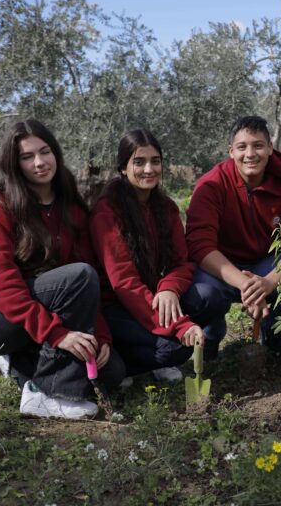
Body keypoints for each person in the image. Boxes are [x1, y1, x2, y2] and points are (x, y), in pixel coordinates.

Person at [0, 119, 124, 420]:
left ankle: (18, 362)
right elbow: (1, 289)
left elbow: (89, 285)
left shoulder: (70, 208)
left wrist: (102, 335)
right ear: (14, 164)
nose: (39, 162)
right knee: (78, 275)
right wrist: (57, 334)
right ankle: (45, 394)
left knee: (112, 373)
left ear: (55, 152)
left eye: (45, 152)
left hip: (40, 310)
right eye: (27, 156)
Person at [182, 115, 281, 359]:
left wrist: (269, 282)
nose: (250, 154)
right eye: (242, 147)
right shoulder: (211, 185)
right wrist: (247, 285)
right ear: (231, 151)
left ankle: (273, 335)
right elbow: (199, 245)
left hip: (266, 262)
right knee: (201, 294)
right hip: (220, 265)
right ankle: (210, 335)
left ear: (270, 148)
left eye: (258, 145)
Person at [89, 129, 204, 381]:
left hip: (149, 298)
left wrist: (169, 289)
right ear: (122, 168)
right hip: (113, 307)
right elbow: (124, 283)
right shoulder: (107, 212)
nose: (149, 169)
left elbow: (181, 263)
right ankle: (128, 359)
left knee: (202, 302)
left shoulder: (166, 208)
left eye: (155, 161)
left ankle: (140, 355)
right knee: (176, 347)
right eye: (139, 162)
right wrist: (179, 326)